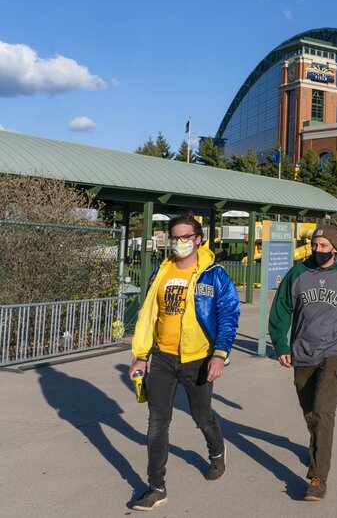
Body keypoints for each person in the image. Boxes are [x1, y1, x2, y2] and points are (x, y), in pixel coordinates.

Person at [129, 213, 240, 511]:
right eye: (175, 238)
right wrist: (141, 355)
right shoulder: (161, 271)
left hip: (198, 358)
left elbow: (229, 315)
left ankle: (216, 452)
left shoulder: (213, 273)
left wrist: (220, 353)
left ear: (198, 239)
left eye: (185, 238)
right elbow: (150, 315)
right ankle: (156, 486)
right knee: (157, 423)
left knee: (201, 416)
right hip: (163, 358)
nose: (179, 243)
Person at [268, 224, 337, 501]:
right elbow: (280, 310)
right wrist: (281, 344)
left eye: (323, 246)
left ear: (335, 248)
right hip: (303, 352)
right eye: (315, 245)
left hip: (335, 351)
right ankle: (317, 445)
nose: (317, 250)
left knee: (324, 411)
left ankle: (318, 478)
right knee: (310, 412)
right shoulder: (298, 273)